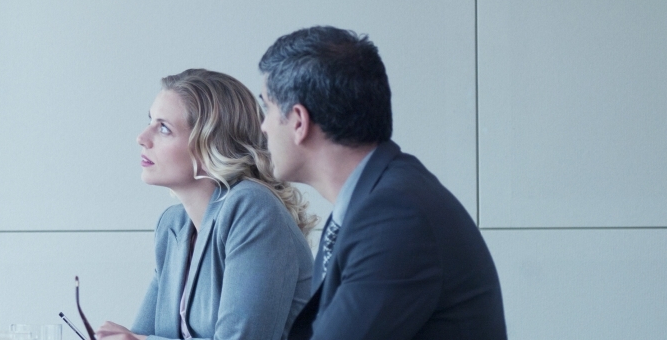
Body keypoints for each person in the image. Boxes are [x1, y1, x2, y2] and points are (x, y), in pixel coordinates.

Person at [257, 26, 506, 339]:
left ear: (298, 121)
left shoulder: (395, 215)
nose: (263, 127)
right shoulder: (374, 200)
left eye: (266, 107)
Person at [96, 69, 315, 340]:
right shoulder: (173, 227)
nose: (141, 137)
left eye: (164, 128)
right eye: (150, 121)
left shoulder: (251, 207)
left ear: (210, 145)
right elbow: (140, 334)